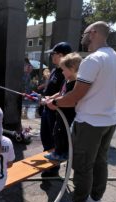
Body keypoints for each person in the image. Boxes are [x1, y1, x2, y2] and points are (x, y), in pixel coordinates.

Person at [46, 21, 116, 202]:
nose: (83, 36)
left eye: (85, 33)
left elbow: (75, 96)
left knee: (83, 165)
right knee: (100, 161)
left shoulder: (93, 60)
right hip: (109, 120)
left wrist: (55, 103)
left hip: (89, 123)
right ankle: (95, 199)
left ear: (93, 33)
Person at [40, 42, 72, 177]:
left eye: (53, 54)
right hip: (47, 110)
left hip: (56, 113)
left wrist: (50, 100)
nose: (51, 57)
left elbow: (64, 94)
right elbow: (54, 90)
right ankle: (49, 163)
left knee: (55, 140)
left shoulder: (67, 74)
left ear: (61, 55)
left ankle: (53, 169)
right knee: (45, 138)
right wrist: (43, 98)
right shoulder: (55, 70)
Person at [44, 52, 82, 161]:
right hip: (60, 114)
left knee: (62, 133)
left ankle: (61, 153)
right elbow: (60, 93)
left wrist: (53, 103)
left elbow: (67, 99)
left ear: (73, 69)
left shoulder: (75, 84)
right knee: (57, 131)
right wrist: (49, 98)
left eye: (64, 69)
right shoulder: (66, 80)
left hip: (67, 115)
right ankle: (58, 151)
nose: (62, 72)